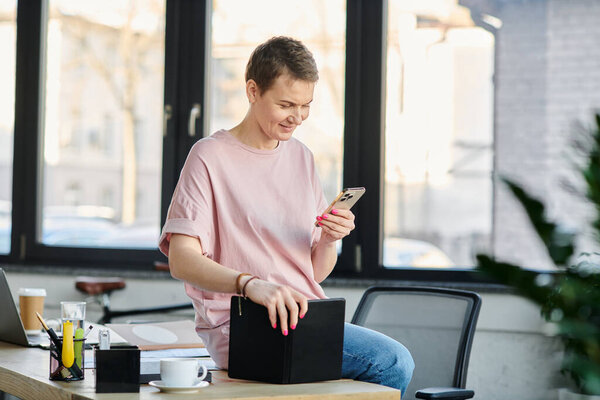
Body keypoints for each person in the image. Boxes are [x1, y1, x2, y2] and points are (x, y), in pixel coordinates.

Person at [158, 36, 414, 391]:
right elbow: (181, 261)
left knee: (388, 360)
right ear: (252, 91)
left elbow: (314, 273)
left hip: (303, 317)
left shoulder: (302, 158)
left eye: (306, 105)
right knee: (391, 361)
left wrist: (328, 238)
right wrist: (250, 284)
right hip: (243, 327)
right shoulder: (209, 157)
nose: (298, 116)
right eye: (286, 104)